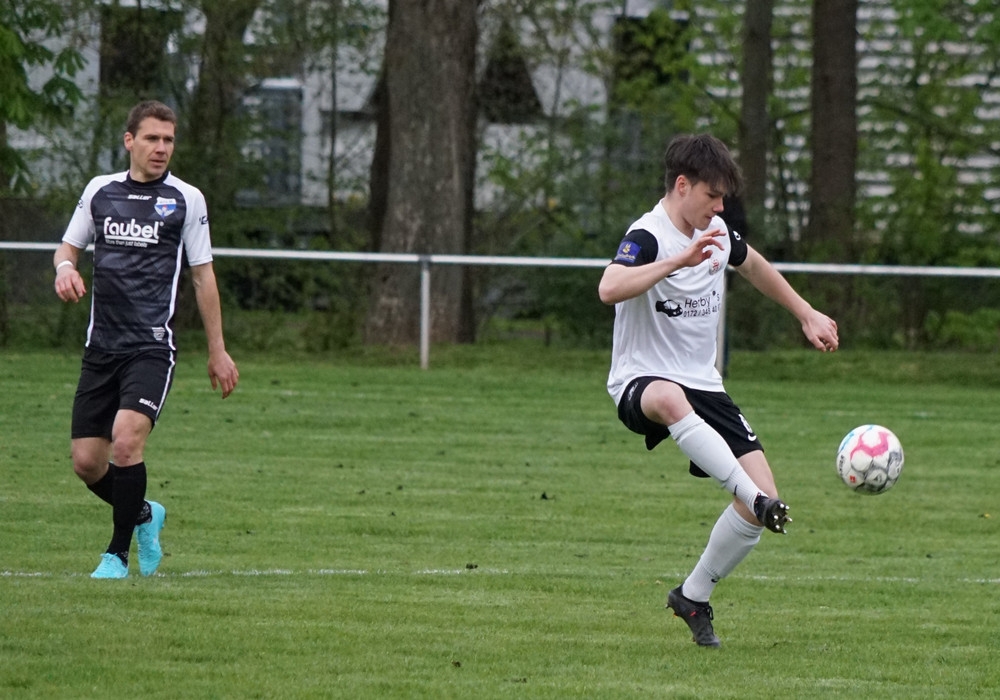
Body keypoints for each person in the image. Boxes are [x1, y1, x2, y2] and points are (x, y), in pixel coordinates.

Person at [598, 133, 838, 647]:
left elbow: (754, 266)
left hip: (704, 384)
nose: (720, 207)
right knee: (670, 399)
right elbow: (609, 288)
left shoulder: (718, 231)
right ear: (683, 185)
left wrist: (806, 313)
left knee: (761, 505)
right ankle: (752, 496)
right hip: (641, 378)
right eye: (713, 195)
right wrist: (677, 262)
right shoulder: (647, 235)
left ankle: (693, 595)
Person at [53, 100, 239, 579]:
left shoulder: (186, 199)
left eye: (168, 139)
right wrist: (65, 268)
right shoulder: (100, 191)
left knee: (125, 441)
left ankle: (116, 555)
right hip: (101, 347)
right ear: (129, 140)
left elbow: (203, 277)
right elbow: (68, 247)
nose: (161, 148)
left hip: (152, 347)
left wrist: (217, 350)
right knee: (86, 462)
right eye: (152, 138)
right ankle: (143, 513)